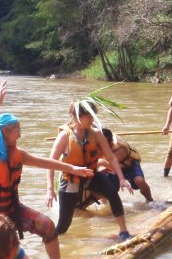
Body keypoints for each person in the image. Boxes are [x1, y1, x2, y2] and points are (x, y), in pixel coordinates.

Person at [0, 81, 94, 259]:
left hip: (11, 209)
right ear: (5, 131)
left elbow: (44, 162)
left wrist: (72, 168)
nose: (20, 134)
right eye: (17, 129)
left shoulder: (17, 153)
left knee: (47, 225)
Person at [47, 99, 133, 241]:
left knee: (112, 192)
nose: (91, 119)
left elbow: (111, 157)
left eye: (93, 116)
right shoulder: (65, 136)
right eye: (88, 116)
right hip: (71, 178)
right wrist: (50, 189)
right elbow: (51, 163)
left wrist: (122, 179)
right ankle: (54, 242)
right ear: (77, 117)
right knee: (64, 223)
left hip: (91, 174)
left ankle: (124, 231)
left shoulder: (96, 134)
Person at [101, 127, 153, 203]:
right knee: (107, 188)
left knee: (140, 181)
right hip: (112, 167)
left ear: (111, 142)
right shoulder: (97, 143)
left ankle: (150, 200)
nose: (100, 146)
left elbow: (113, 165)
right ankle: (104, 205)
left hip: (128, 165)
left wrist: (103, 169)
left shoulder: (119, 148)